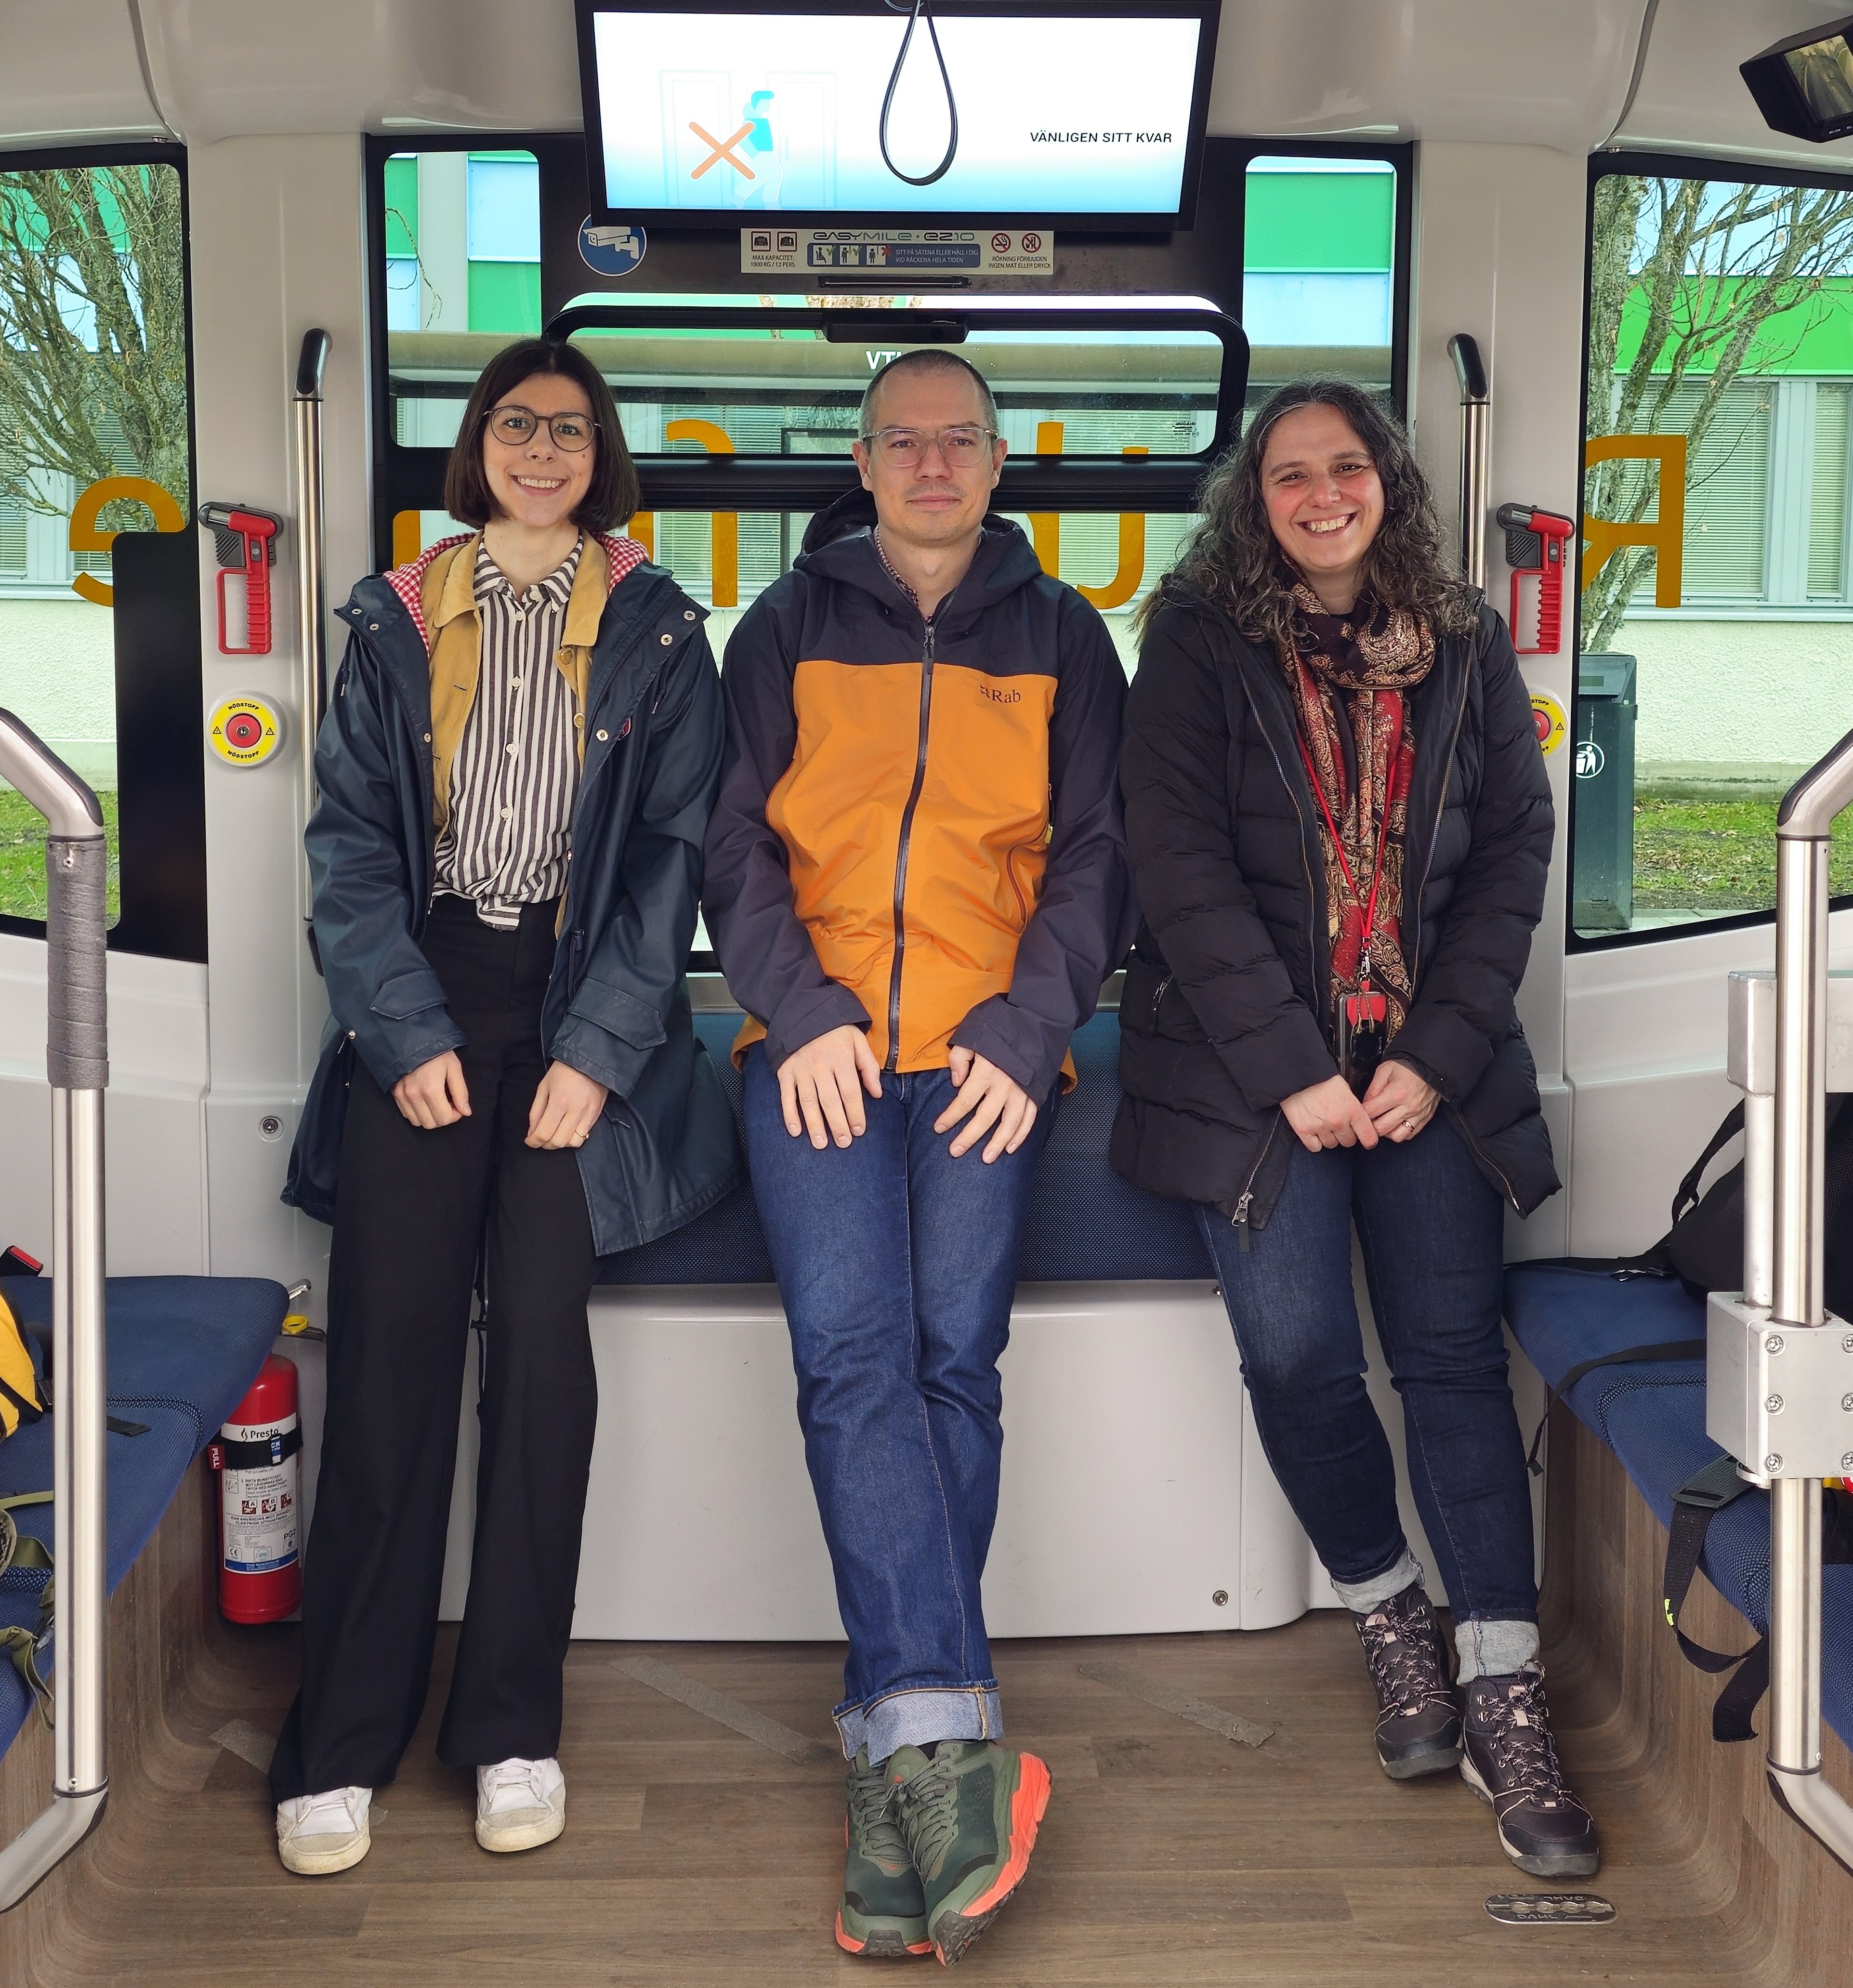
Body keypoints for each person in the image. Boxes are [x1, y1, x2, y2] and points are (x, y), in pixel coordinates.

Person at [1108, 380, 1589, 1878]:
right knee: (1298, 1354)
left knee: (1450, 1362)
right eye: (1288, 475)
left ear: (1388, 479)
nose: (1320, 494)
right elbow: (1174, 865)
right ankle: (1390, 1611)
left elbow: (1514, 845)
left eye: (1345, 467)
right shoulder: (1193, 641)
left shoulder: (1459, 640)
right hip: (1257, 1084)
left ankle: (1505, 1688)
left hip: (1424, 1073)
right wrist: (1289, 1069)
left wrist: (1435, 1055)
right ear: (1252, 502)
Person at [272, 338, 735, 1876]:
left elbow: (670, 862)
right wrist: (399, 1033)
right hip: (424, 1001)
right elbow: (345, 849)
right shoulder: (396, 616)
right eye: (517, 425)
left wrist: (598, 1054)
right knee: (389, 1353)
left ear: (604, 456)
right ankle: (340, 1743)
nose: (544, 448)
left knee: (543, 1362)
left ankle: (511, 1729)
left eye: (573, 429)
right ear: (479, 446)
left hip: (578, 1013)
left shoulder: (664, 630)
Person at [703, 348, 1128, 1962]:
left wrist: (1026, 1038)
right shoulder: (788, 627)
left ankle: (893, 1751)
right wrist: (799, 1013)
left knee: (956, 1357)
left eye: (962, 442)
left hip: (983, 1052)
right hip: (809, 1047)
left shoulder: (1068, 639)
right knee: (855, 1356)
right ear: (864, 460)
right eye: (906, 442)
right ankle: (945, 1748)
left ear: (1000, 462)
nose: (934, 464)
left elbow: (1095, 863)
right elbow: (731, 841)